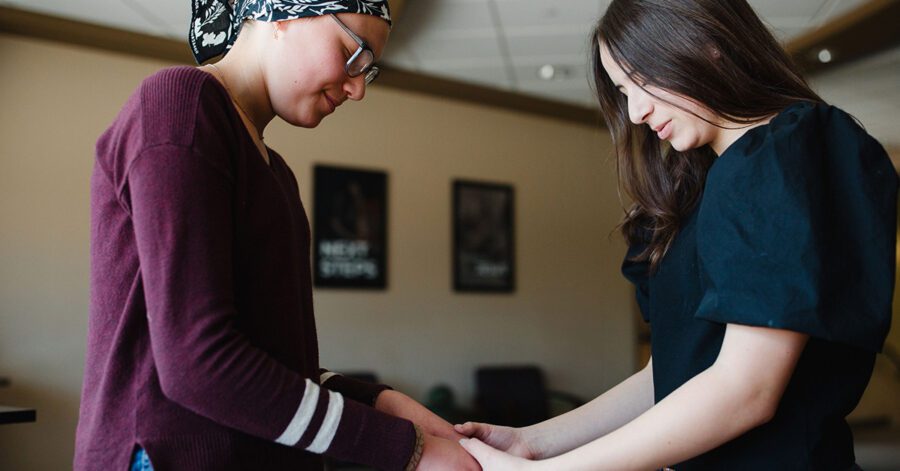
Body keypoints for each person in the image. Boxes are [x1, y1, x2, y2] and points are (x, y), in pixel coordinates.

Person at [456, 0, 898, 469]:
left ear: (706, 45)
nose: (636, 111)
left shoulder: (786, 156)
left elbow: (746, 391)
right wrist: (532, 443)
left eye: (642, 81)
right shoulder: (696, 188)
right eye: (623, 91)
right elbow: (668, 374)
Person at [73, 1, 479, 470]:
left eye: (368, 71)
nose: (356, 89)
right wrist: (406, 450)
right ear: (282, 12)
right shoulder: (182, 106)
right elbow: (197, 365)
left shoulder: (275, 173)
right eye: (353, 52)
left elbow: (273, 359)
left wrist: (377, 402)